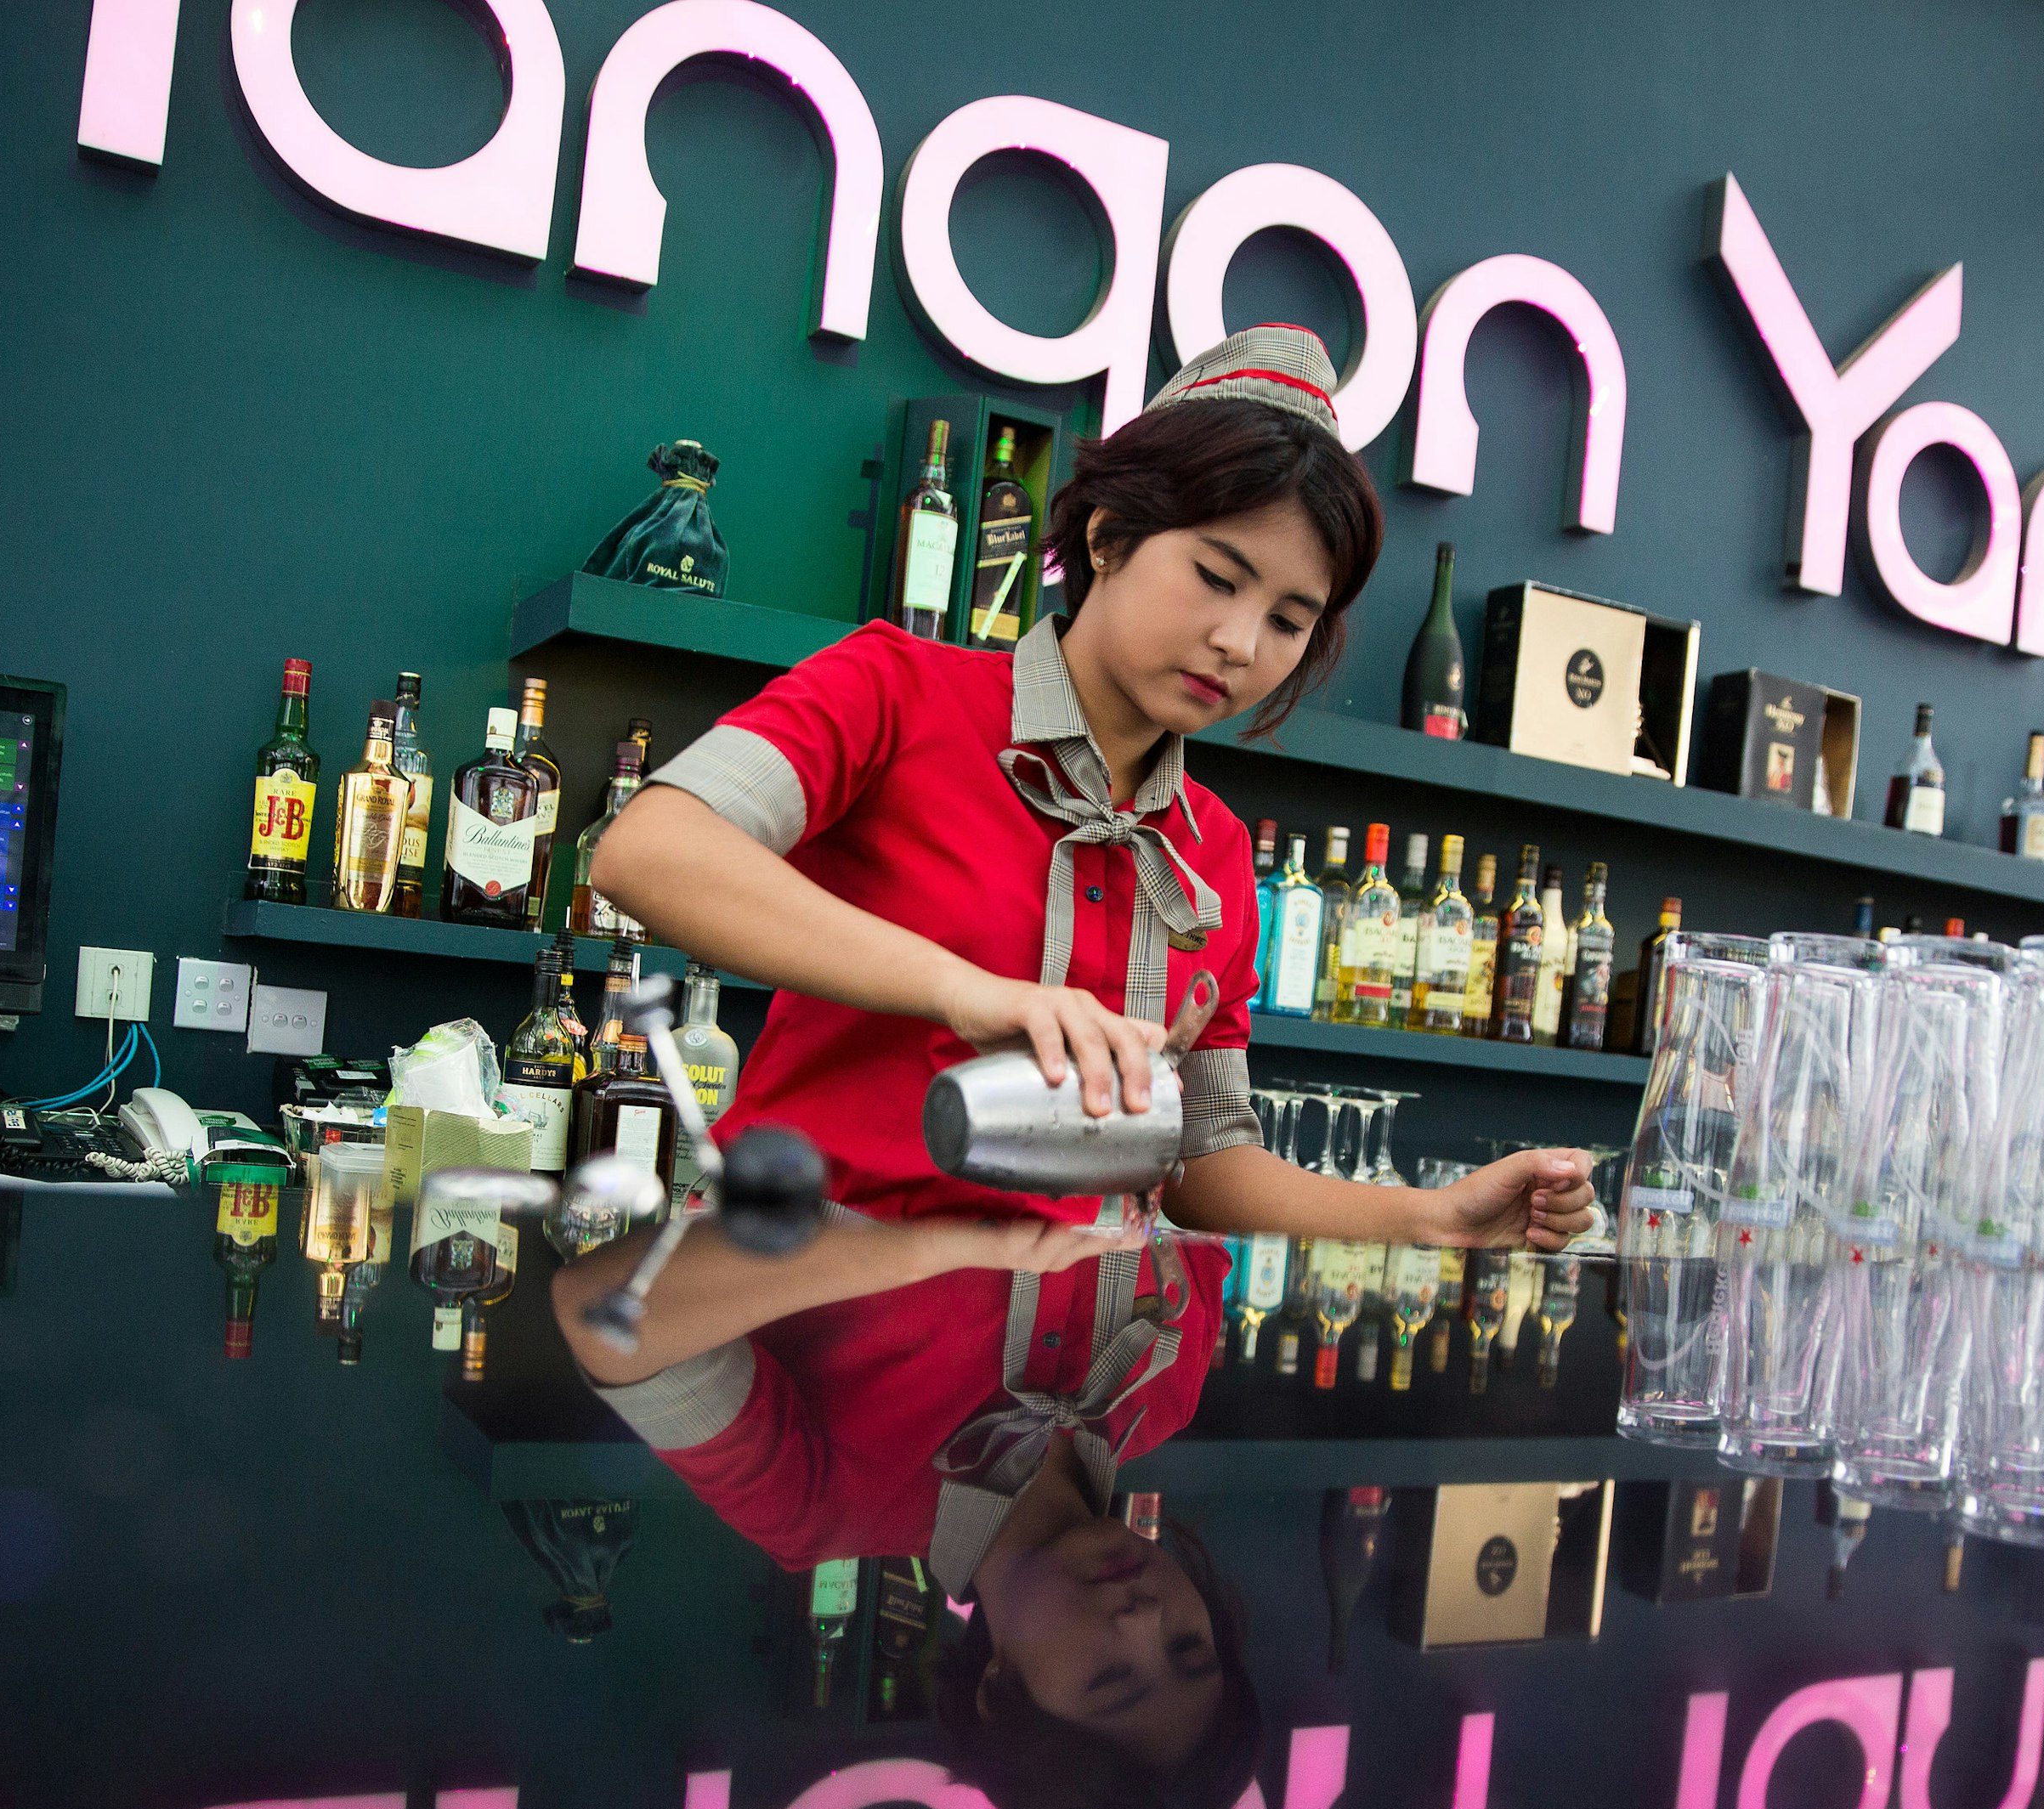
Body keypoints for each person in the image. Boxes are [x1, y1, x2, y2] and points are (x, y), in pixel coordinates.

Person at [589, 323, 1594, 1252]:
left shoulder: (1215, 851)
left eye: (1290, 621)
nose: (1239, 644)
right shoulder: (897, 689)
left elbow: (1204, 1162)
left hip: (1072, 1379)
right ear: (1109, 536)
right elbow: (649, 849)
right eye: (1215, 575)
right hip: (813, 1333)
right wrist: (968, 991)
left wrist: (1433, 1217)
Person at [552, 1208, 1253, 1809]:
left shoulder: (817, 1501)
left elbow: (600, 1309)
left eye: (1110, 1680)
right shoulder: (1169, 1383)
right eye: (1187, 1651)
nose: (1142, 1622)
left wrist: (934, 1241)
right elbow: (1210, 1117)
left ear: (998, 1696)